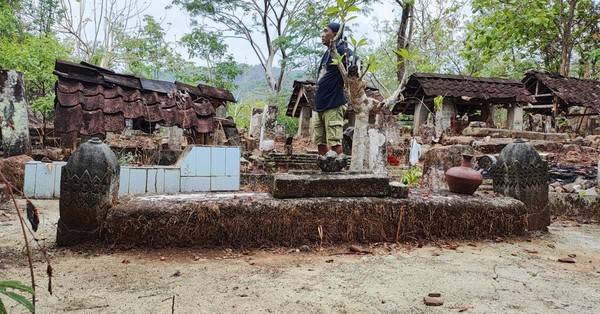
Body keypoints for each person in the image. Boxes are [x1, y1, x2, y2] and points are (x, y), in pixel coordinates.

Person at [313, 22, 354, 156]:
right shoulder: (328, 53)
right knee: (320, 141)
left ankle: (337, 170)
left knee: (334, 141)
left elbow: (354, 62)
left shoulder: (341, 49)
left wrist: (347, 81)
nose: (322, 35)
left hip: (333, 103)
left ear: (335, 35)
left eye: (326, 31)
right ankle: (325, 170)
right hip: (321, 104)